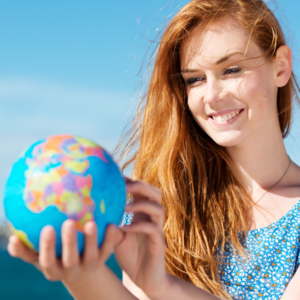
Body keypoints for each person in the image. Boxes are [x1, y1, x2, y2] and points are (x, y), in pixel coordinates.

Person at [7, 0, 300, 299]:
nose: (211, 95)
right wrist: (84, 276)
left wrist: (162, 286)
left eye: (232, 69)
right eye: (195, 79)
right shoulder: (165, 207)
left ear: (281, 67)